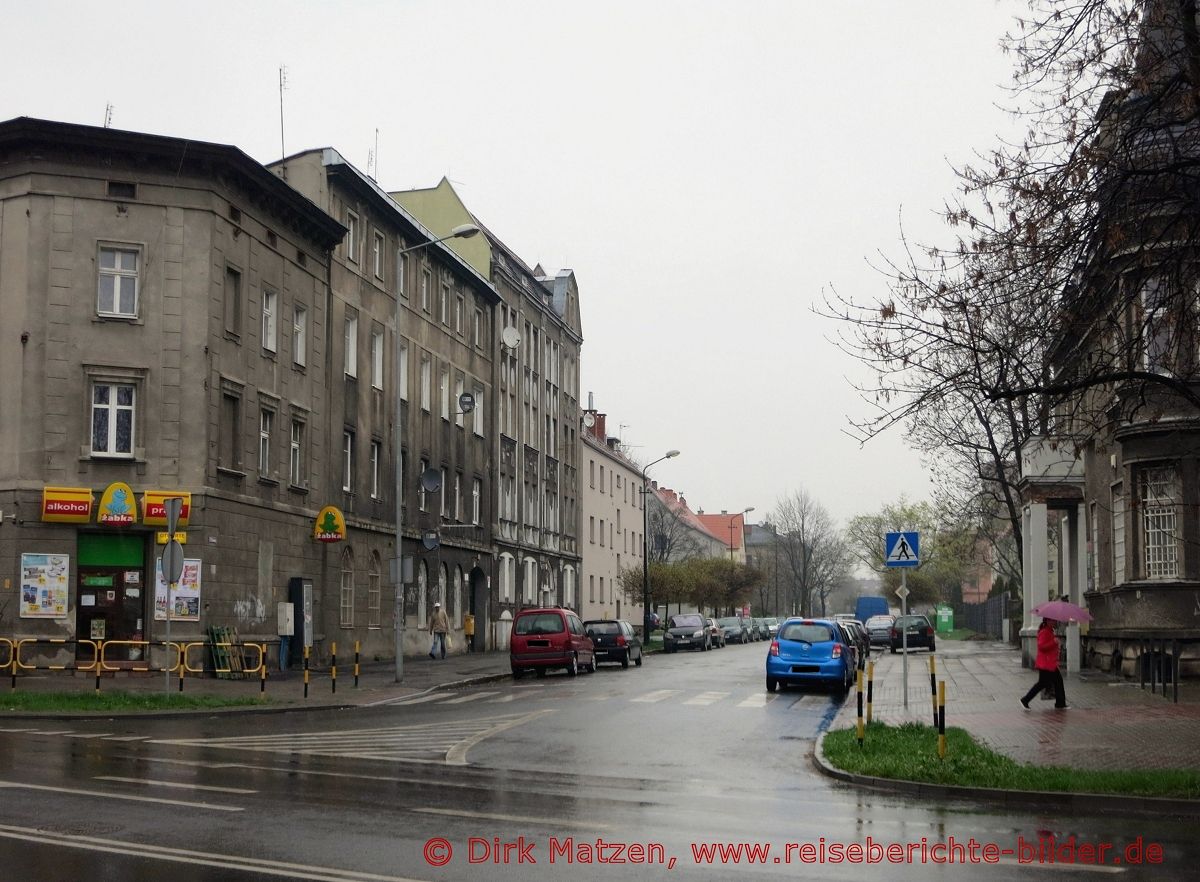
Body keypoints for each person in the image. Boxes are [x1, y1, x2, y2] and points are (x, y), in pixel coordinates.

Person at [1021, 617, 1069, 709]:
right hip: (1046, 664)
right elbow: (1041, 646)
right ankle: (1025, 700)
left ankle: (1060, 703)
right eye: (1054, 620)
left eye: (1055, 620)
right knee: (1044, 683)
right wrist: (1054, 642)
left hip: (1049, 663)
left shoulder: (1049, 631)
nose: (1055, 622)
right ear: (1048, 621)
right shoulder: (1044, 631)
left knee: (1055, 682)